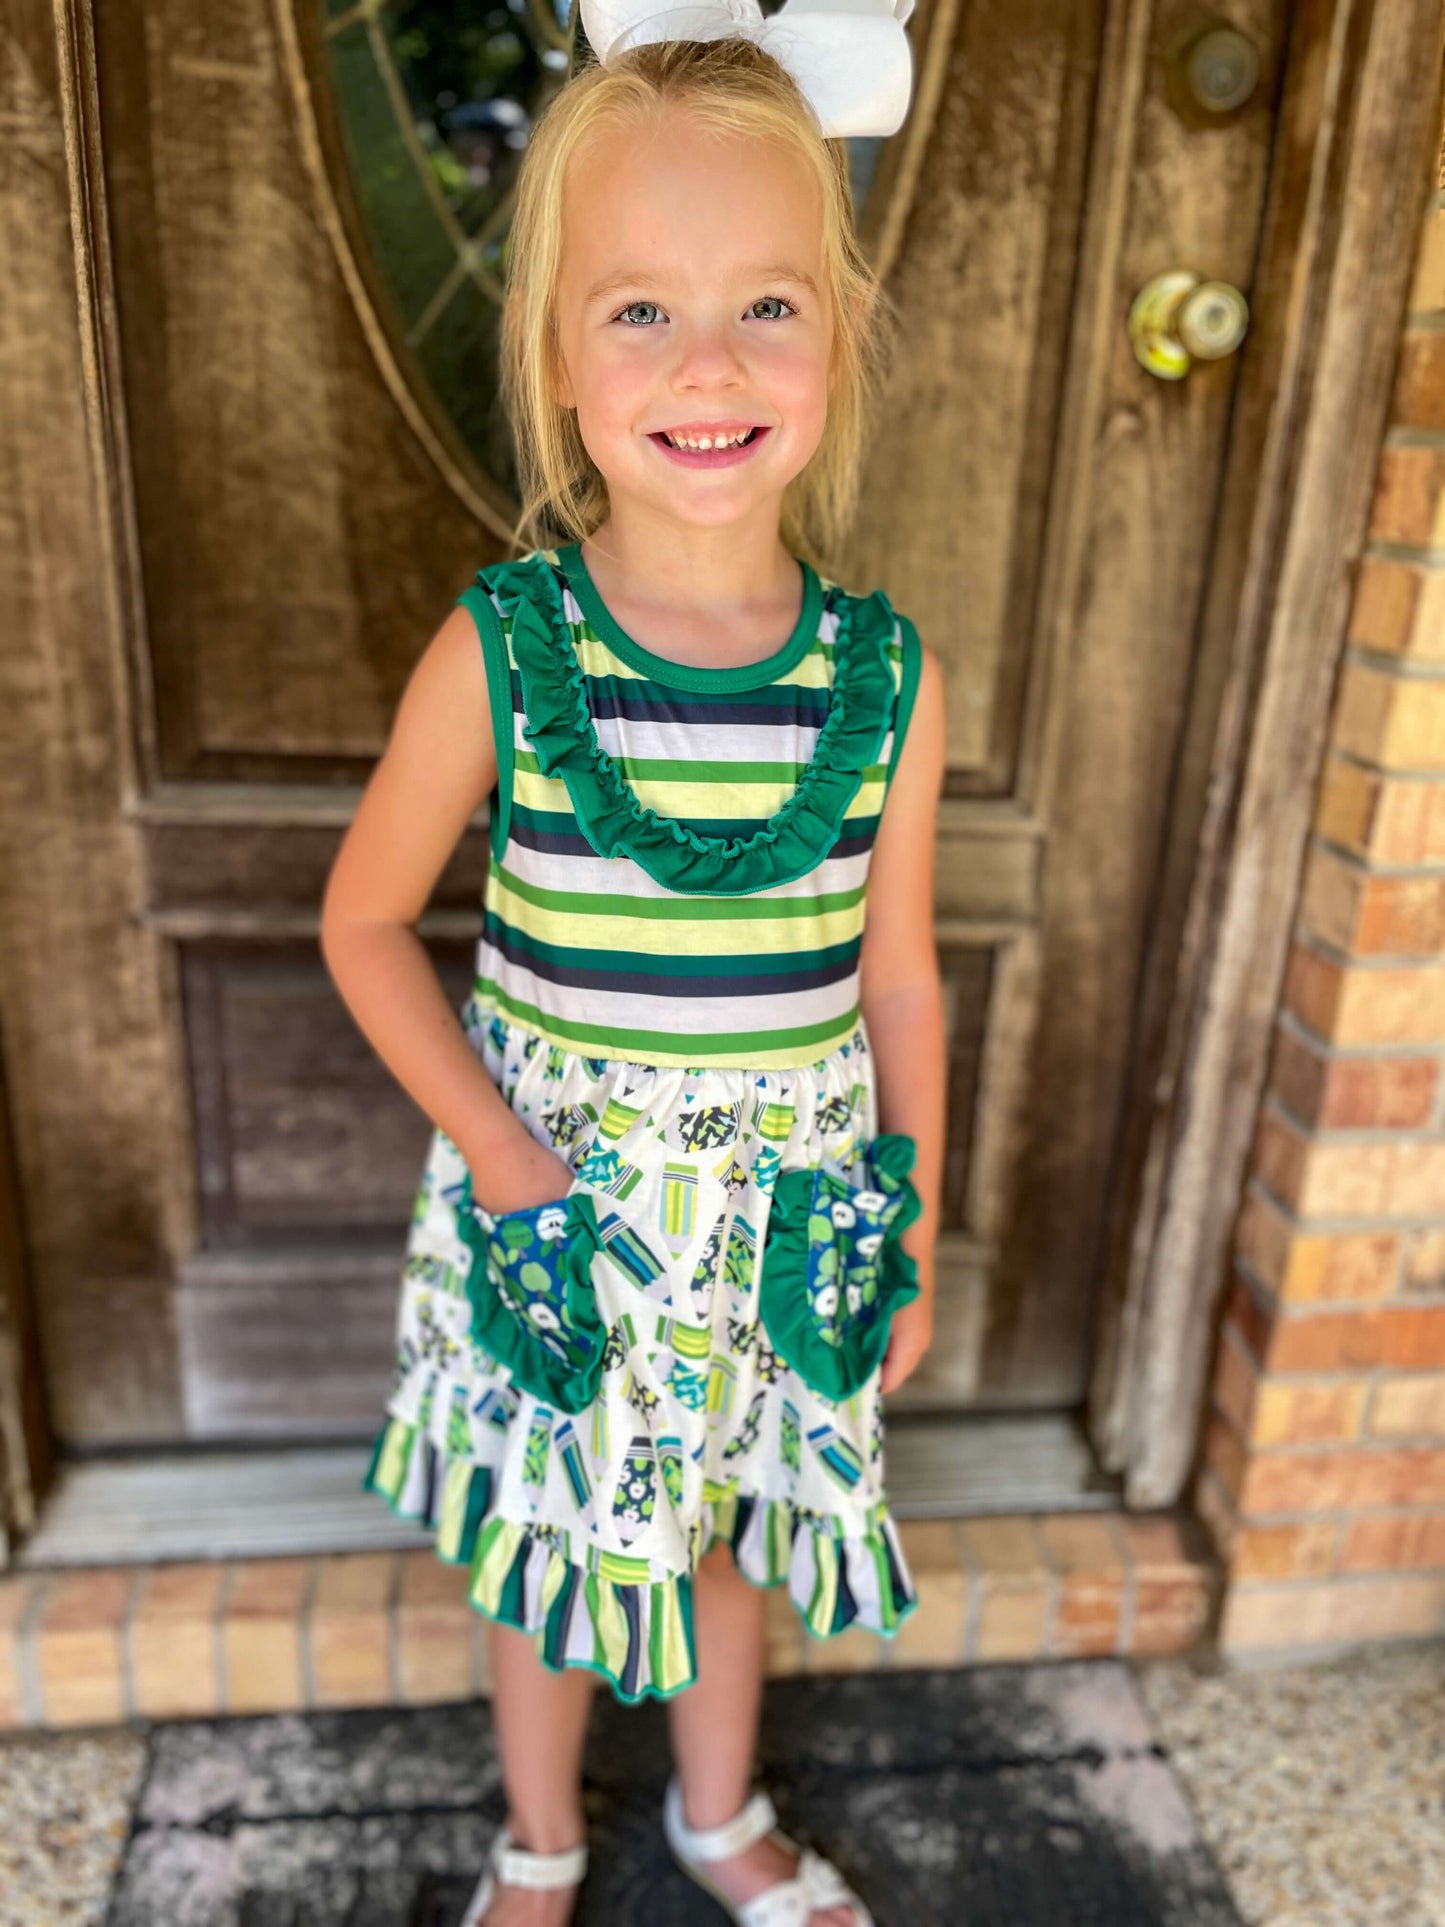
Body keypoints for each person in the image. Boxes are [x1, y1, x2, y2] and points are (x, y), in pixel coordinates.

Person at [320, 3, 946, 1918]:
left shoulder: (881, 675)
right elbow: (363, 924)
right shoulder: (503, 651)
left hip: (784, 1229)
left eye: (766, 304)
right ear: (559, 350)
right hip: (566, 1211)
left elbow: (898, 970)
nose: (707, 364)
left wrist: (908, 1211)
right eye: (639, 311)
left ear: (834, 335)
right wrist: (510, 1166)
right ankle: (536, 1839)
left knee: (726, 1539)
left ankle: (716, 1815)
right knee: (550, 1538)